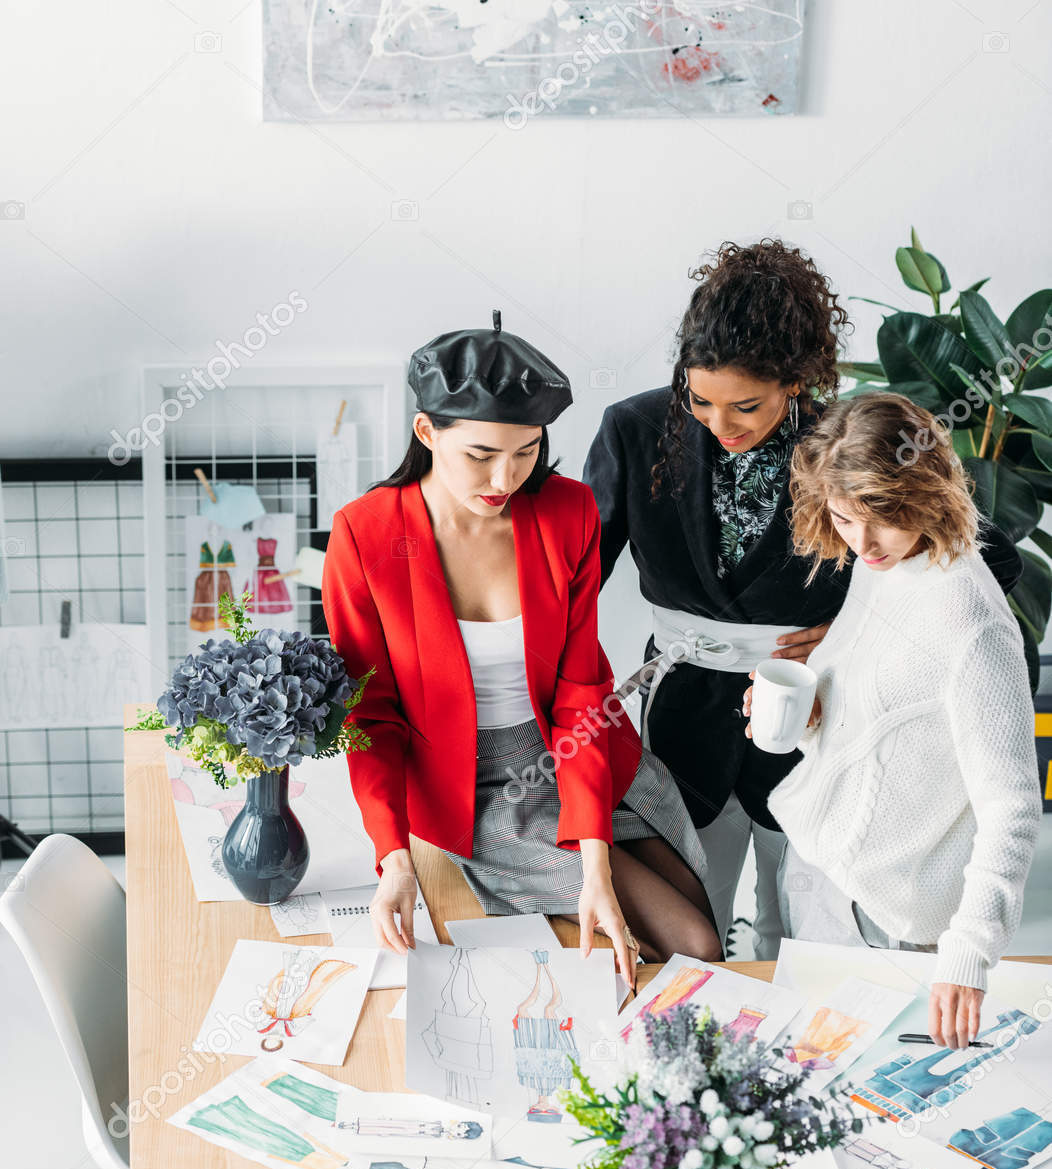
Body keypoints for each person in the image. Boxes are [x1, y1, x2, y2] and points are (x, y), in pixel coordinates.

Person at [583, 239, 1023, 957]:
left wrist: (853, 632)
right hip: (684, 705)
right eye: (700, 400)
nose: (720, 425)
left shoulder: (842, 442)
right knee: (693, 918)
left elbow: (987, 553)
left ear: (795, 380)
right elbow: (576, 581)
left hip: (815, 708)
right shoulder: (634, 430)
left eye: (745, 406)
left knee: (798, 918)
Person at [321, 311, 720, 987]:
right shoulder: (365, 535)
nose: (504, 478)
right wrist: (393, 858)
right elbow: (370, 716)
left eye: (526, 451)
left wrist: (594, 862)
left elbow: (580, 689)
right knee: (696, 944)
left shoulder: (568, 512)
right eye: (480, 455)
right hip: (473, 787)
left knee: (695, 907)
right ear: (427, 432)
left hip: (581, 748)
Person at [742, 393, 1041, 1050]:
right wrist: (810, 712)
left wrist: (968, 953)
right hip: (819, 874)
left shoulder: (971, 623)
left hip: (889, 918)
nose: (862, 542)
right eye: (845, 518)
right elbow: (886, 716)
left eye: (882, 518)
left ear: (926, 492)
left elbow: (1013, 808)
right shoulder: (889, 564)